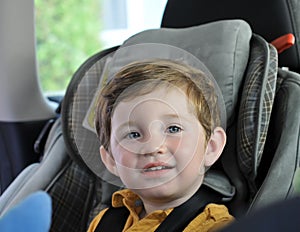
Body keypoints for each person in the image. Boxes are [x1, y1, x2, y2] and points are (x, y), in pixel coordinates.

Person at [88, 59, 234, 232]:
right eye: (134, 135)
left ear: (211, 147)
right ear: (111, 159)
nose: (153, 147)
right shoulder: (103, 223)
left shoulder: (217, 227)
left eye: (173, 129)